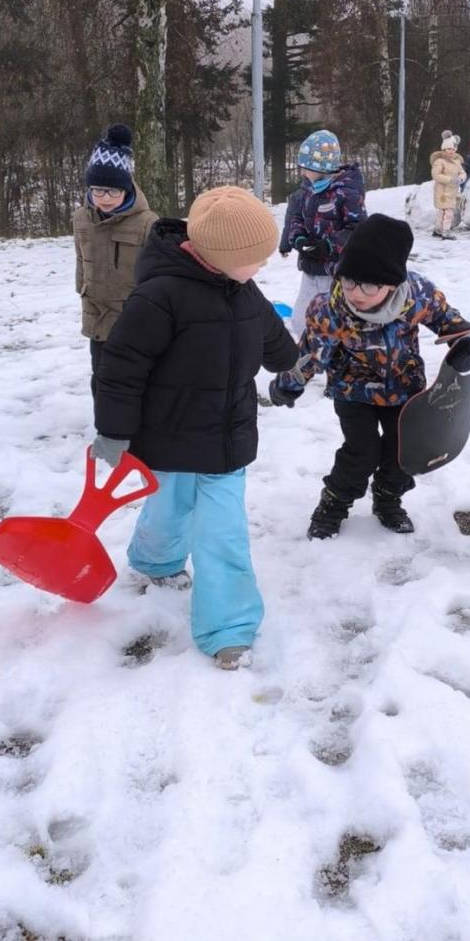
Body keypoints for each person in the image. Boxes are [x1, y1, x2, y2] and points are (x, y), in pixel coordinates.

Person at [91, 186, 299, 670]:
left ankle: (227, 625)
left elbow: (270, 334)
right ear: (221, 256)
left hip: (226, 438)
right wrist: (114, 431)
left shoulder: (241, 287)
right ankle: (156, 562)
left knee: (222, 533)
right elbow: (121, 366)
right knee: (168, 505)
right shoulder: (160, 297)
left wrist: (290, 362)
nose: (263, 267)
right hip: (168, 434)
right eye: (257, 259)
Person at [268, 214, 470, 539]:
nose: (356, 293)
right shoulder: (331, 308)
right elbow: (311, 353)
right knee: (361, 452)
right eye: (348, 281)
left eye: (368, 285)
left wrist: (464, 342)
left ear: (393, 282)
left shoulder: (417, 295)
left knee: (401, 451)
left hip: (406, 391)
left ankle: (388, 499)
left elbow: (450, 321)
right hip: (353, 391)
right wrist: (288, 385)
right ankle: (333, 505)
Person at [73, 124, 157, 399]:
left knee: (134, 378)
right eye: (97, 191)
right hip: (96, 312)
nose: (104, 199)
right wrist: (81, 289)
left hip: (132, 316)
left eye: (112, 192)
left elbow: (158, 272)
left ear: (126, 189)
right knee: (102, 376)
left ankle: (139, 427)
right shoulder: (81, 218)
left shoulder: (147, 223)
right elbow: (80, 258)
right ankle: (106, 429)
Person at [286, 129, 367, 335]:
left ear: (322, 167)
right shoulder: (309, 189)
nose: (303, 173)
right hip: (310, 269)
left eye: (306, 168)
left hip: (334, 272)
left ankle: (335, 353)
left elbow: (358, 230)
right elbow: (297, 217)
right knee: (300, 321)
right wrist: (298, 237)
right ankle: (306, 355)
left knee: (333, 322)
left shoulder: (347, 192)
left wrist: (330, 245)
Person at [430, 134, 465, 238]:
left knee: (444, 211)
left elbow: (462, 172)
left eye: (453, 148)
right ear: (444, 149)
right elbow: (436, 175)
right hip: (442, 192)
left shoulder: (457, 161)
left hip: (452, 191)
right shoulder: (439, 161)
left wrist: (461, 178)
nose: (451, 151)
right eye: (449, 148)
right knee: (446, 212)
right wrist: (450, 179)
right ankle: (445, 230)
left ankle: (438, 229)